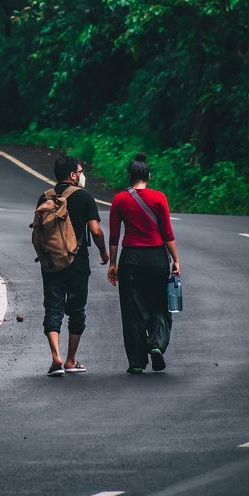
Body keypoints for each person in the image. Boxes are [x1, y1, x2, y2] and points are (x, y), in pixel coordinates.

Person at [107, 153, 181, 374]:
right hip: (157, 258)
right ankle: (156, 344)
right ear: (149, 175)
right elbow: (167, 233)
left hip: (130, 258)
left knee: (132, 310)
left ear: (129, 176)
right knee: (160, 305)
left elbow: (114, 236)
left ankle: (137, 362)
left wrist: (113, 264)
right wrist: (176, 259)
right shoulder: (159, 198)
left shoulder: (119, 200)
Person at [37, 153, 109, 376]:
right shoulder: (84, 197)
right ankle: (70, 360)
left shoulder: (45, 196)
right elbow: (96, 231)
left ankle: (55, 357)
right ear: (72, 175)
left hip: (51, 262)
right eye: (79, 172)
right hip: (77, 262)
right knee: (76, 310)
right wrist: (104, 252)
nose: (81, 175)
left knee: (53, 307)